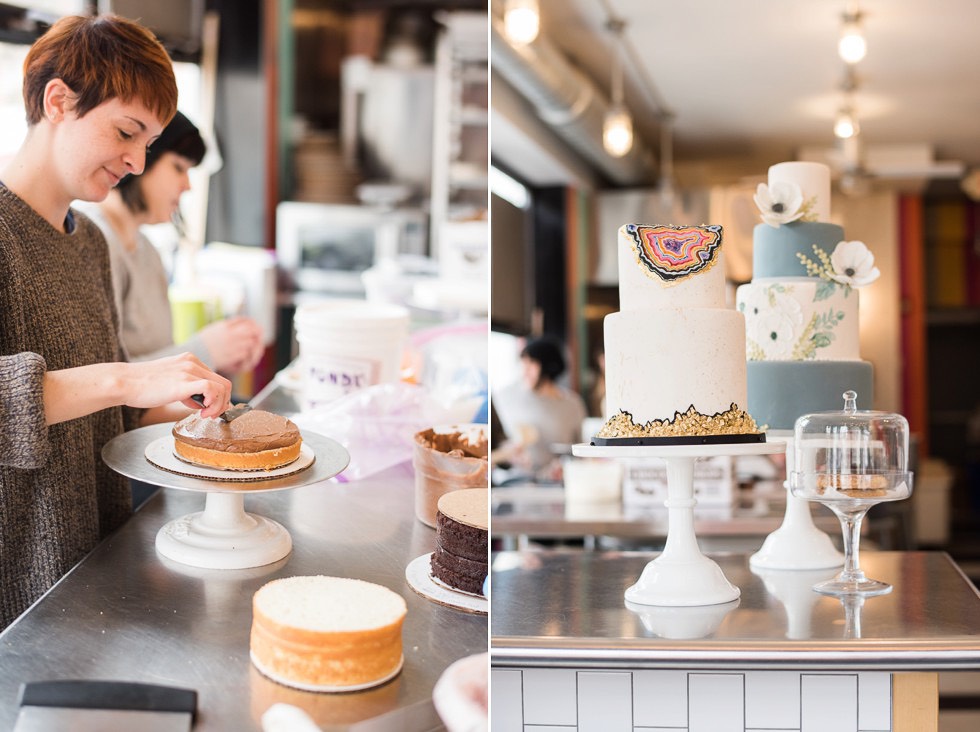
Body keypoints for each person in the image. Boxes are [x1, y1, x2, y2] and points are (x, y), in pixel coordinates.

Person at [0, 14, 233, 630]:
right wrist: (129, 380)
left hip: (87, 577)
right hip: (17, 599)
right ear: (58, 101)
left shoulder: (89, 245)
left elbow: (93, 413)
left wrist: (182, 402)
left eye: (147, 145)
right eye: (126, 132)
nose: (135, 162)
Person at [81, 111, 265, 374]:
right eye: (178, 168)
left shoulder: (147, 250)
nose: (187, 185)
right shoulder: (93, 242)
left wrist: (216, 362)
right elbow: (98, 381)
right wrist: (205, 351)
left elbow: (156, 360)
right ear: (140, 161)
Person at [492, 335, 588, 481]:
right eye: (523, 364)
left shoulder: (572, 404)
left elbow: (581, 450)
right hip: (514, 481)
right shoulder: (505, 396)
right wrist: (510, 455)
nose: (525, 372)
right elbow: (499, 442)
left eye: (531, 365)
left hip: (556, 484)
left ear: (548, 366)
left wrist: (565, 466)